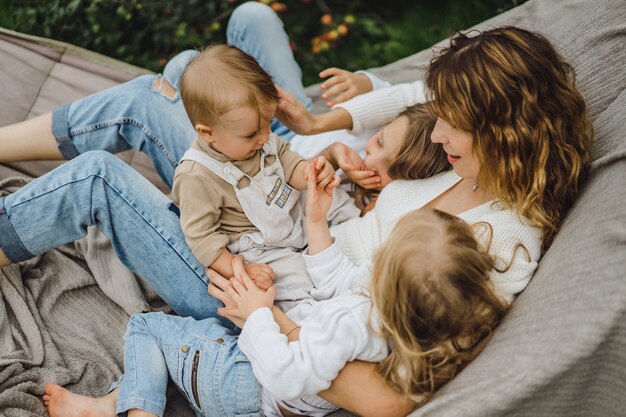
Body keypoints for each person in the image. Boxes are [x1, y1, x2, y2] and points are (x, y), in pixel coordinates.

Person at [0, 8, 592, 415]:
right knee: (173, 81)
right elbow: (416, 102)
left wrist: (266, 317)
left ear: (502, 132)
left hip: (261, 289)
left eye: (452, 124)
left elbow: (386, 398)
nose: (436, 131)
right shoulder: (470, 161)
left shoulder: (503, 244)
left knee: (102, 177)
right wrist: (339, 154)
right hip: (302, 232)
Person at [42, 166, 508, 417]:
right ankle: (114, 403)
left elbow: (287, 375)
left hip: (246, 381)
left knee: (149, 327)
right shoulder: (408, 324)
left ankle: (126, 411)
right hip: (261, 375)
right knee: (192, 333)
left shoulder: (353, 324)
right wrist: (316, 223)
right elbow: (338, 279)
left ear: (388, 283)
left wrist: (259, 314)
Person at [167, 44, 341, 309]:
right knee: (303, 283)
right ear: (207, 133)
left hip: (292, 216)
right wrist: (241, 271)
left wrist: (309, 174)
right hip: (259, 250)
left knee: (342, 206)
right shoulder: (196, 176)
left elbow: (286, 160)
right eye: (250, 135)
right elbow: (204, 240)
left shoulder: (258, 135)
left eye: (268, 125)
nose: (263, 138)